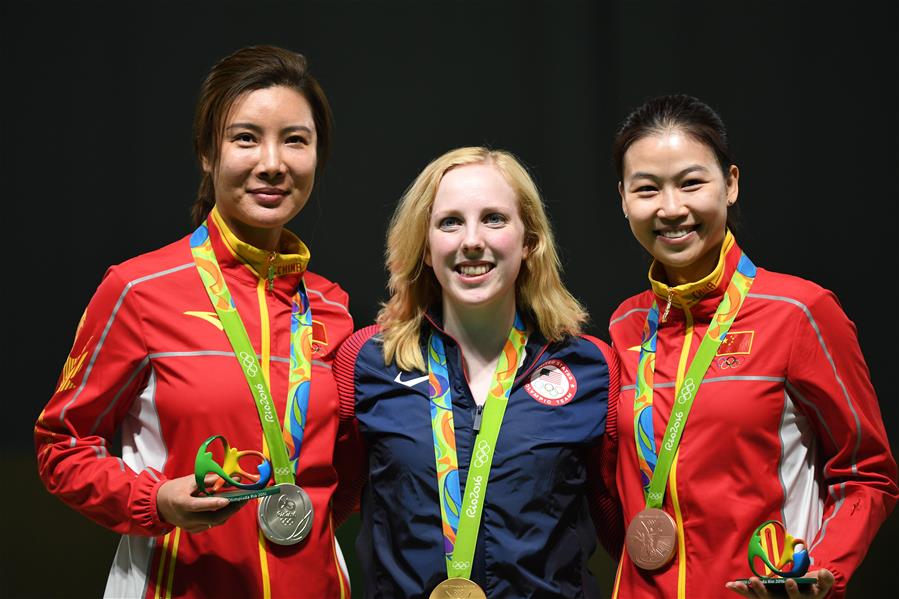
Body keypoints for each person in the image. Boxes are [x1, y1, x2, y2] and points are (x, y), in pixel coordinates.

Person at [35, 45, 358, 598]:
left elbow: (342, 476)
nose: (273, 162)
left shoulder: (332, 308)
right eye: (246, 138)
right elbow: (60, 445)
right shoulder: (138, 290)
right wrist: (154, 501)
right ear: (208, 154)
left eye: (295, 140)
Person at [604, 94, 898, 599]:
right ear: (624, 200)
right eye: (647, 189)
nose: (672, 208)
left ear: (731, 183)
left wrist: (819, 573)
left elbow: (867, 473)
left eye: (691, 182)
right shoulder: (625, 325)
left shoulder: (799, 311)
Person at [333, 146, 622, 598]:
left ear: (529, 241)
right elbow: (320, 508)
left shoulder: (591, 369)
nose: (472, 240)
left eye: (494, 218)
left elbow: (625, 535)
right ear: (425, 247)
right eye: (450, 222)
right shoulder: (368, 362)